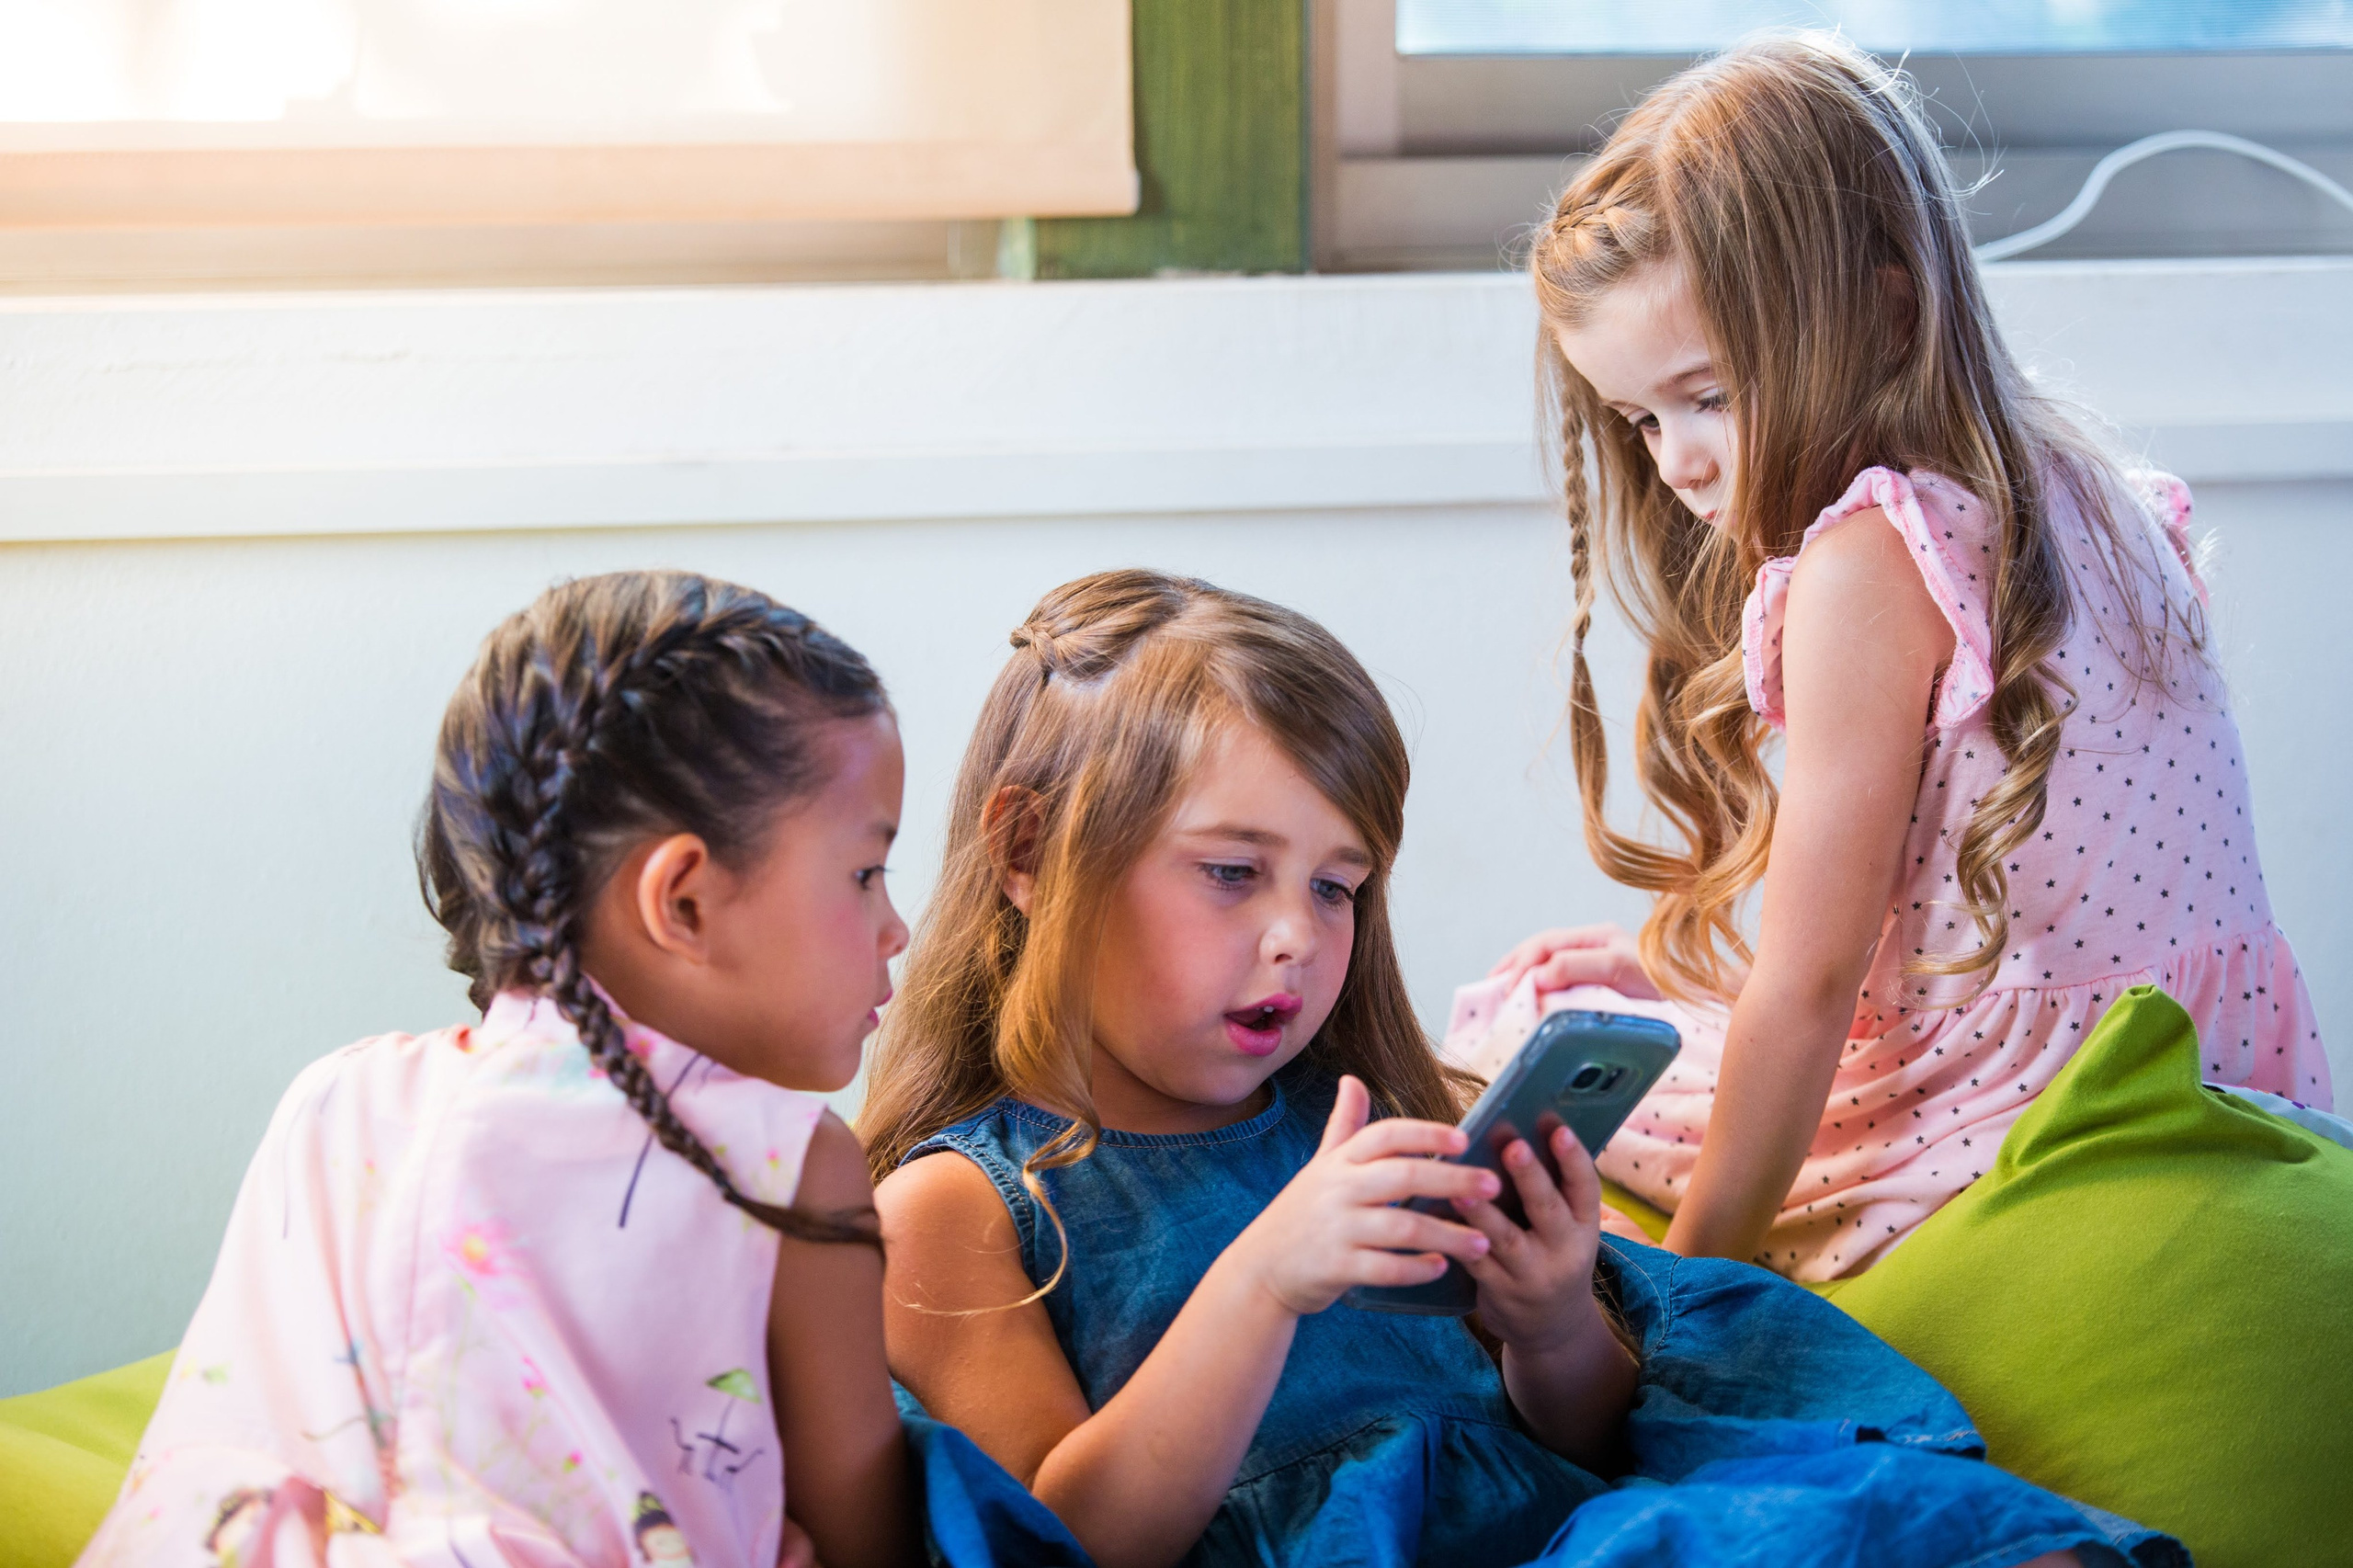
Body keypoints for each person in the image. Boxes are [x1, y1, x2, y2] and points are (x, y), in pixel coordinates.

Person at [859, 569, 2173, 1568]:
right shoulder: (957, 1210)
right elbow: (1072, 1535)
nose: (1295, 935)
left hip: (1570, 1527)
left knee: (1953, 1527)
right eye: (1229, 871)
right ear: (1028, 851)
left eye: (1338, 886)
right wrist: (1262, 1280)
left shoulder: (1354, 1116)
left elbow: (1586, 1440)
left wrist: (1549, 1314)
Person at [1472, 32, 2330, 1281]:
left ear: (1880, 307)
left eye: (1708, 395)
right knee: (1604, 1017)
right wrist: (1687, 997)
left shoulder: (1871, 559)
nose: (1677, 462)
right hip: (2208, 1056)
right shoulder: (2087, 485)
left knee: (1506, 1029)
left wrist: (1691, 1285)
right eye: (1640, 417)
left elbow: (1815, 990)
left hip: (2004, 1114)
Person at [80, 573, 921, 1568]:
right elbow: (879, 1544)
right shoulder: (784, 1168)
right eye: (866, 872)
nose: (895, 926)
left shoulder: (335, 1102)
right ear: (685, 900)